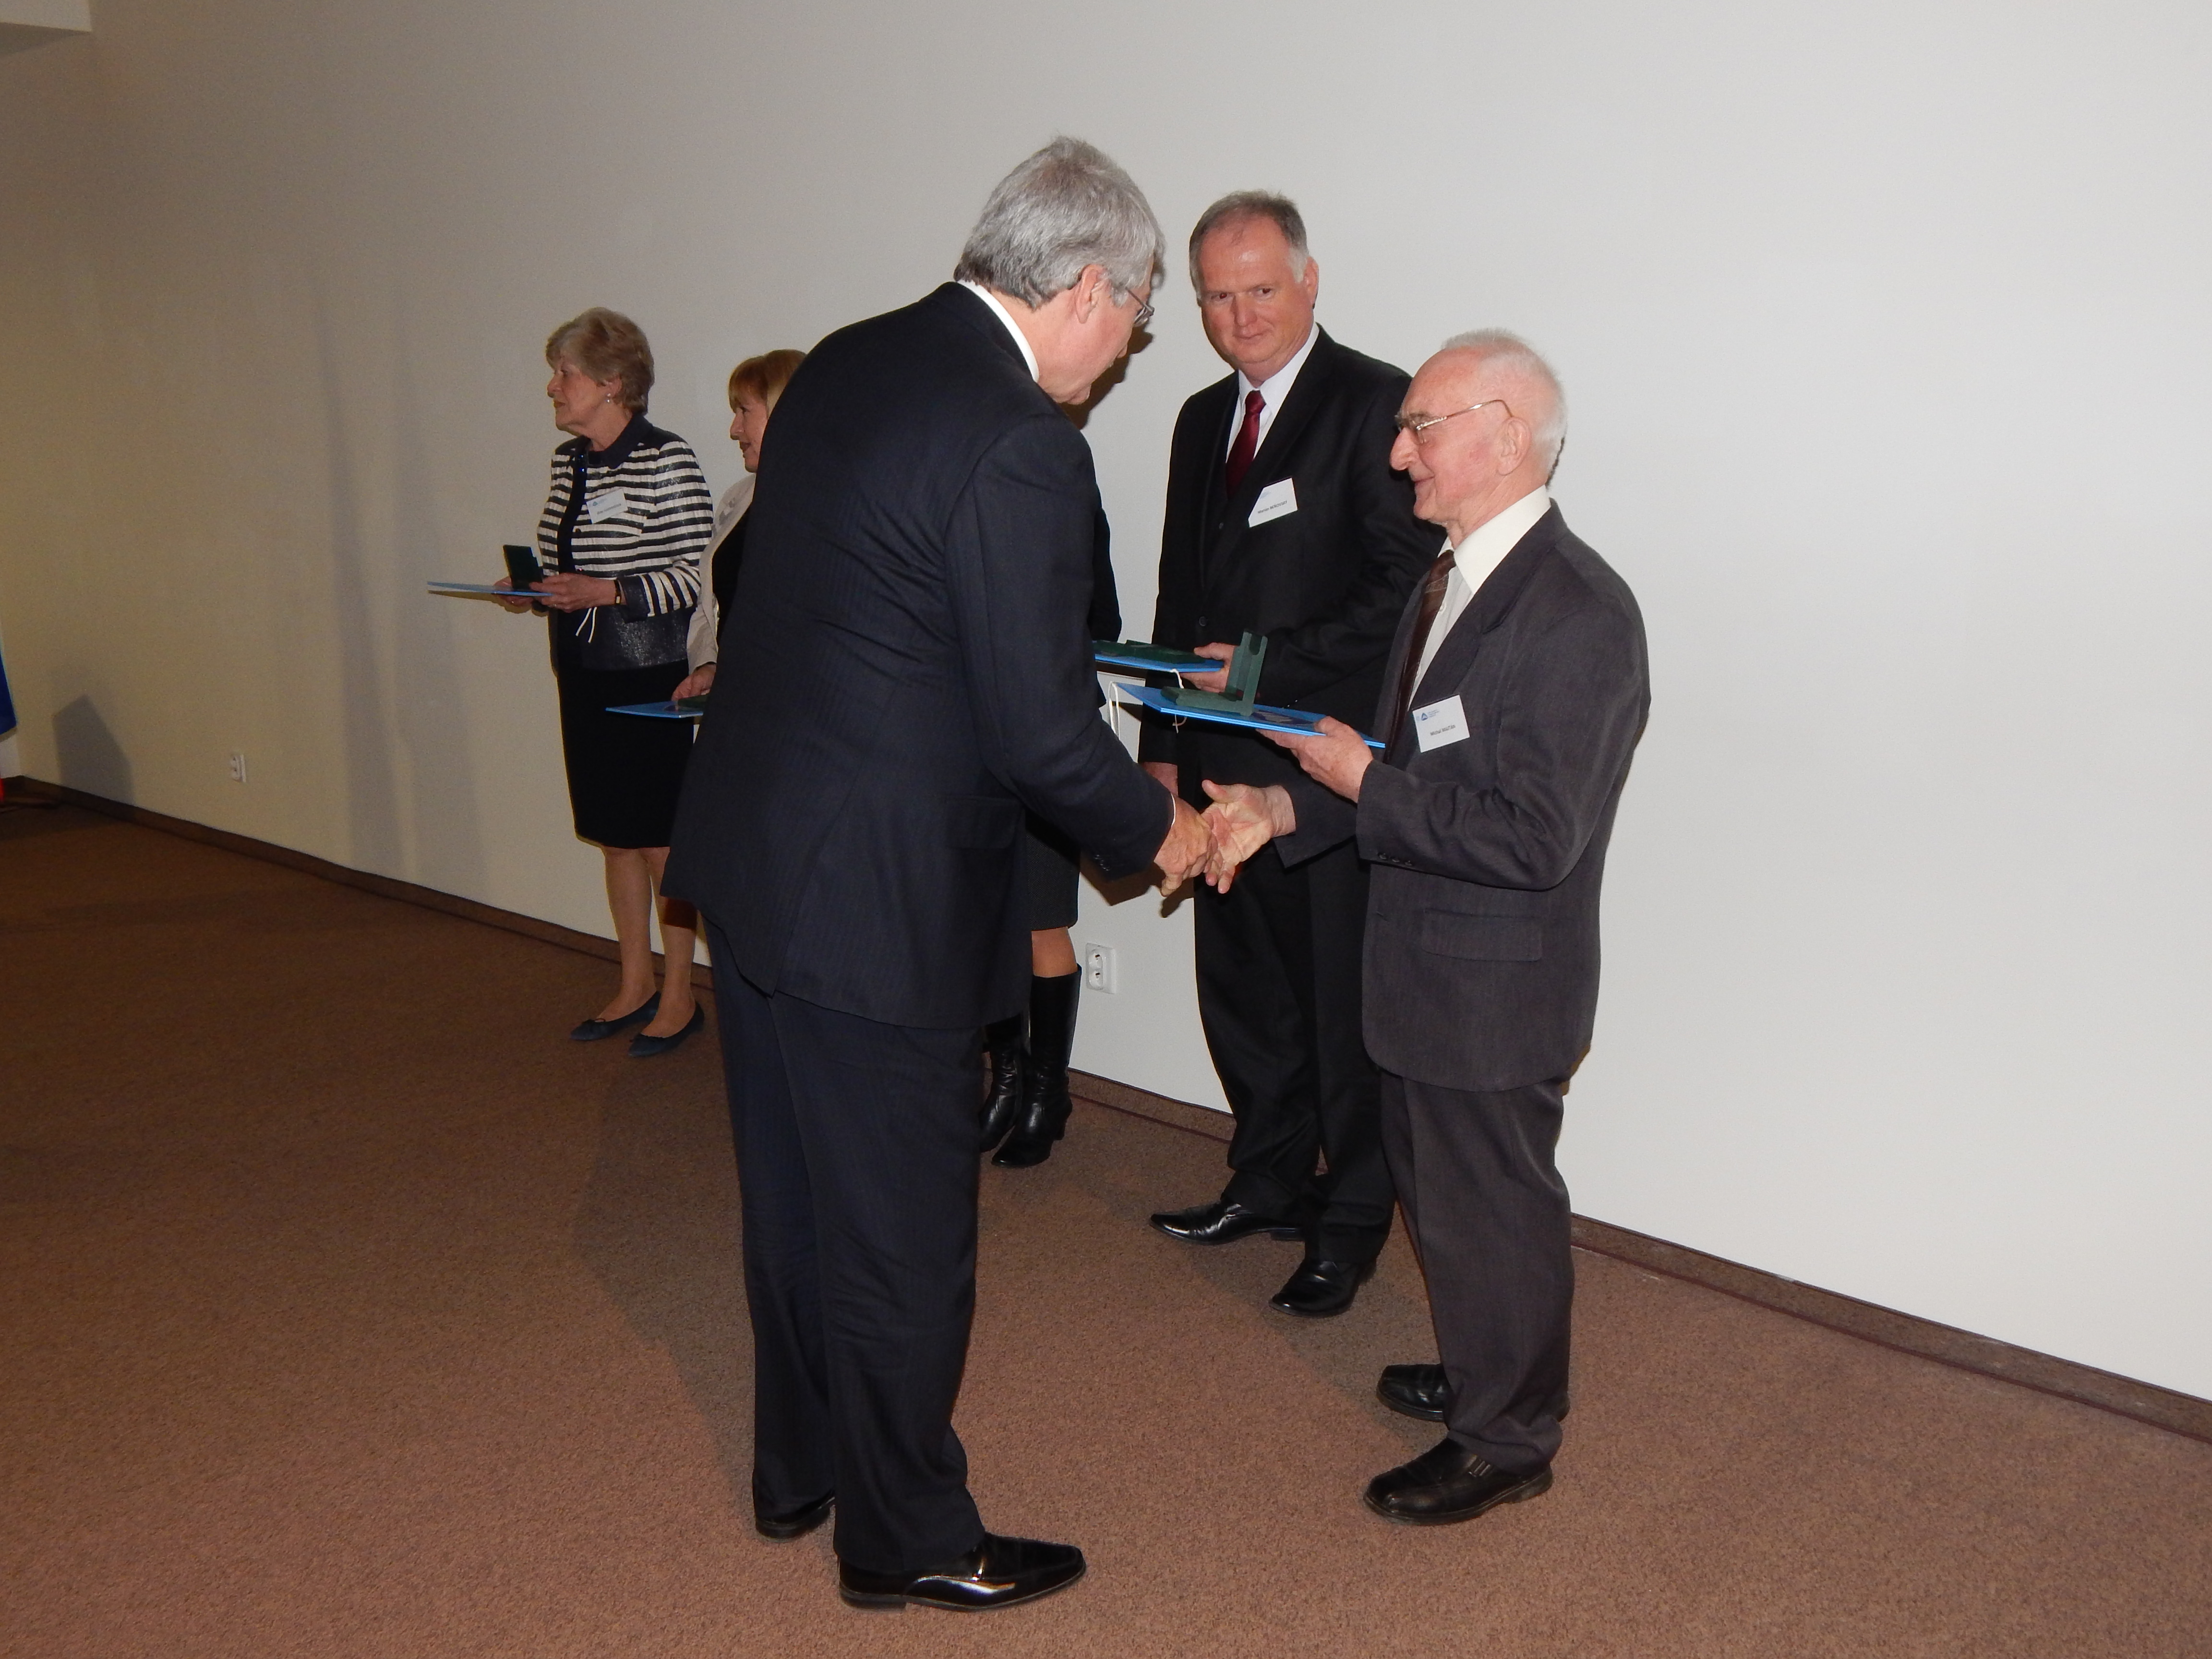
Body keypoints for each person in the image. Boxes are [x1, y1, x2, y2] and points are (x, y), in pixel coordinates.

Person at [664, 139, 1210, 1612]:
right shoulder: (1022, 439)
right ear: (1085, 284)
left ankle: (802, 1468)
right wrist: (1160, 832)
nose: (1129, 346)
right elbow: (1041, 727)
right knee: (903, 1231)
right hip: (878, 898)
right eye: (1137, 312)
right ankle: (904, 1536)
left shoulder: (849, 357)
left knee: (795, 1198)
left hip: (757, 857)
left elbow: (839, 613)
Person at [1202, 331, 1649, 1526]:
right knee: (1448, 1204)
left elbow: (1535, 837)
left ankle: (1507, 1439)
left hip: (1493, 987)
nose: (1399, 454)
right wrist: (1284, 808)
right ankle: (1486, 1366)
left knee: (1494, 1209)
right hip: (1419, 968)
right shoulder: (1447, 582)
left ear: (1504, 434)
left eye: (1421, 428)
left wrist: (1358, 781)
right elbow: (1407, 766)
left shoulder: (1579, 613)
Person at [1139, 193, 1434, 1317]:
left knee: (1340, 1007)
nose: (1240, 314)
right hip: (1216, 757)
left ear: (1309, 282)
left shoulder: (1374, 403)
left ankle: (1349, 1222)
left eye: (1260, 289)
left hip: (1326, 772)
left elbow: (1403, 590)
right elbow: (1179, 593)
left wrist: (1267, 666)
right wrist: (1161, 748)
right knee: (1246, 991)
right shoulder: (1196, 420)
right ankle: (1264, 1179)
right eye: (1217, 296)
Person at [497, 307, 715, 1057]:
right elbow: (569, 563)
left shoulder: (667, 459)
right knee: (615, 838)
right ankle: (634, 983)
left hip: (650, 675)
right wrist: (536, 588)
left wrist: (610, 591)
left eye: (566, 374)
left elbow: (697, 576)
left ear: (613, 382)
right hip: (585, 672)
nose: (553, 387)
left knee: (658, 840)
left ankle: (681, 995)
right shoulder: (570, 462)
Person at [979, 504, 1121, 1170]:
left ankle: (1046, 1093)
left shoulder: (1068, 503)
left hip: (1048, 733)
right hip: (975, 732)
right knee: (987, 917)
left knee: (1041, 919)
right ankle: (1006, 1081)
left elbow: (1102, 622)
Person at [673, 349, 807, 702]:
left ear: (784, 411)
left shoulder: (833, 503)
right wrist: (708, 666)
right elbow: (712, 605)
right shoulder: (738, 498)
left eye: (745, 411)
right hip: (741, 698)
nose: (735, 430)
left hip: (801, 701)